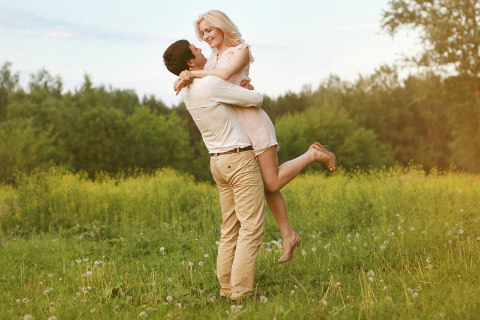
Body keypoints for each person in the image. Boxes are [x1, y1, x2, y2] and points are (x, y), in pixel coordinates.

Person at [175, 10, 337, 264]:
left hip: (252, 121)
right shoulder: (209, 60)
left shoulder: (240, 50)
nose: (205, 36)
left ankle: (313, 154)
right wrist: (186, 74)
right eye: (202, 33)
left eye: (209, 30)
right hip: (234, 130)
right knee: (262, 185)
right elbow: (199, 77)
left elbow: (224, 76)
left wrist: (193, 74)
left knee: (271, 183)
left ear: (221, 27)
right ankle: (288, 234)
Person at [164, 39, 267, 300]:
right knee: (251, 227)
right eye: (195, 49)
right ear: (190, 62)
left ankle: (225, 288)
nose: (201, 48)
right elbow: (257, 98)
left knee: (229, 227)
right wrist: (247, 87)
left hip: (218, 163)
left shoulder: (186, 90)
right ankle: (241, 291)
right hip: (239, 160)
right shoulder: (210, 83)